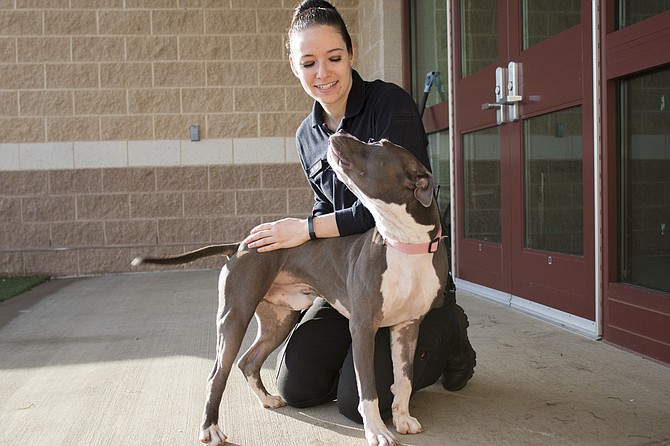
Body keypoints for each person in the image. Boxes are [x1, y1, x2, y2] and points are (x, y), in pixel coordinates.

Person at [243, 0, 476, 423]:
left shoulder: (391, 106)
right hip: (354, 283)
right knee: (298, 387)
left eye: (333, 58)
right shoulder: (307, 135)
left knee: (356, 404)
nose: (323, 73)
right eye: (308, 62)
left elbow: (393, 211)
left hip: (409, 283)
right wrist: (308, 233)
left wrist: (308, 228)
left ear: (351, 53)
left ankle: (450, 330)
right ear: (293, 65)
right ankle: (353, 357)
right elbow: (325, 205)